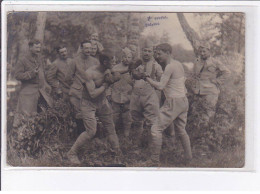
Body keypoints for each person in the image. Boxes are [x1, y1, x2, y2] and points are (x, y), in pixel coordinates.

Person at [67, 53, 121, 165]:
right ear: (105, 62)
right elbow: (92, 94)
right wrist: (106, 85)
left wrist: (115, 76)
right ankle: (71, 153)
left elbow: (120, 72)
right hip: (88, 103)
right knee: (91, 131)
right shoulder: (90, 73)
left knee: (110, 127)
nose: (115, 63)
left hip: (102, 102)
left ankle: (117, 152)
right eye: (113, 61)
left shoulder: (108, 69)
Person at [177, 13, 230, 126]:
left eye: (204, 51)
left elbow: (227, 72)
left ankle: (205, 137)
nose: (202, 53)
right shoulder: (197, 62)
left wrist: (217, 81)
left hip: (211, 91)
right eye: (201, 51)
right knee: (197, 113)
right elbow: (193, 74)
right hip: (198, 91)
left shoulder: (215, 62)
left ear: (209, 51)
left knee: (208, 114)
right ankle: (196, 132)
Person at [145, 43, 192, 166]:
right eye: (156, 54)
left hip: (174, 102)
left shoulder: (170, 67)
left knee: (155, 129)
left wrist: (146, 78)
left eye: (159, 54)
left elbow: (160, 86)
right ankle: (189, 159)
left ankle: (154, 161)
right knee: (181, 130)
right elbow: (172, 82)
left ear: (168, 53)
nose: (157, 56)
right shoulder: (178, 64)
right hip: (183, 100)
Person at [129, 39, 163, 148]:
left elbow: (162, 82)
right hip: (136, 96)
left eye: (149, 51)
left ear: (153, 52)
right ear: (141, 51)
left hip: (150, 96)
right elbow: (130, 79)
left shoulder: (156, 66)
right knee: (136, 121)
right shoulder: (136, 63)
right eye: (144, 51)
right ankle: (136, 145)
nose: (146, 53)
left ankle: (151, 147)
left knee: (152, 122)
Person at [13, 39, 53, 126]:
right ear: (30, 47)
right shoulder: (22, 60)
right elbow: (17, 75)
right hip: (28, 92)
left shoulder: (39, 58)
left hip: (40, 91)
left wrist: (46, 84)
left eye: (39, 47)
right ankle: (23, 136)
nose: (38, 50)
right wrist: (31, 73)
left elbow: (41, 73)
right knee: (26, 118)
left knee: (44, 114)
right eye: (36, 48)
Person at [69, 40, 100, 120]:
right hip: (77, 93)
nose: (88, 50)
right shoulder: (74, 61)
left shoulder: (95, 61)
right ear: (82, 49)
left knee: (91, 117)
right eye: (86, 48)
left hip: (91, 94)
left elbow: (99, 77)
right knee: (78, 116)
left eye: (90, 48)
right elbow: (69, 77)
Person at [109, 47, 133, 137]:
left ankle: (126, 134)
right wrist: (109, 93)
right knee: (114, 116)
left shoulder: (133, 69)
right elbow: (110, 82)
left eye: (129, 57)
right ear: (121, 57)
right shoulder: (115, 68)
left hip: (128, 95)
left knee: (127, 117)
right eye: (124, 57)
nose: (126, 59)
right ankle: (112, 134)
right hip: (116, 95)